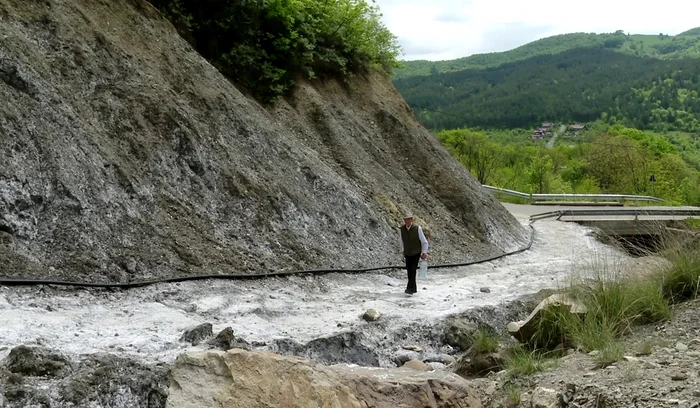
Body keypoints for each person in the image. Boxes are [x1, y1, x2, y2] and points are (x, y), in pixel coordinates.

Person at [399, 213, 429, 295]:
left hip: (416, 252)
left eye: (408, 219)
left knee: (412, 270)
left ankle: (410, 288)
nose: (407, 221)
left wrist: (424, 252)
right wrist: (403, 252)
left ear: (411, 220)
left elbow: (424, 242)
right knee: (409, 270)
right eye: (405, 219)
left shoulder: (417, 228)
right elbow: (402, 242)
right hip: (408, 252)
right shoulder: (401, 229)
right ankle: (413, 288)